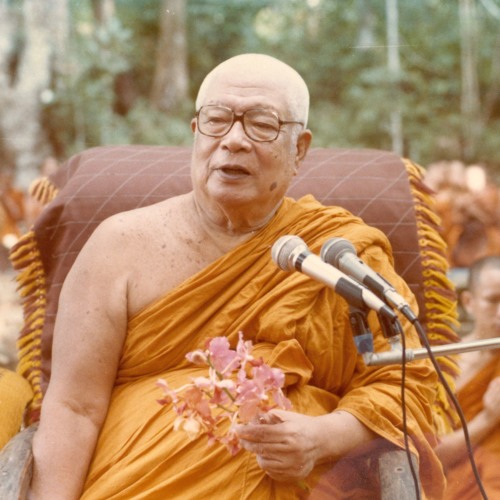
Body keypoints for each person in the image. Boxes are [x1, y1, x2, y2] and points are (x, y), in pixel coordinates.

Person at [29, 53, 445, 499]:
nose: (233, 140)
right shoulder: (118, 247)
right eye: (217, 120)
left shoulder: (338, 254)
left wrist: (323, 437)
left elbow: (407, 381)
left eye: (262, 124)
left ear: (299, 150)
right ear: (196, 132)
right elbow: (74, 407)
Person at [435, 255, 500, 499]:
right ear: (469, 302)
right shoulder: (446, 364)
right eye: (493, 300)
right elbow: (431, 455)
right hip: (466, 487)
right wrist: (488, 418)